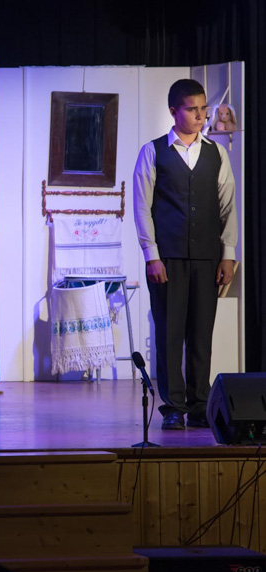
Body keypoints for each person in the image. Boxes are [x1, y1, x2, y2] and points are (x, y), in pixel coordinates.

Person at [133, 79, 238, 430]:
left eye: (203, 108)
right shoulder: (153, 152)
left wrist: (228, 253)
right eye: (192, 109)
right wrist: (152, 255)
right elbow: (142, 207)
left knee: (201, 334)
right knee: (169, 334)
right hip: (168, 259)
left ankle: (199, 404)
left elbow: (228, 206)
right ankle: (174, 406)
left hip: (207, 258)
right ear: (173, 111)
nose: (200, 115)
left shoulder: (216, 153)